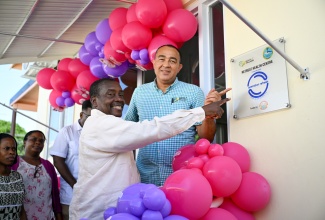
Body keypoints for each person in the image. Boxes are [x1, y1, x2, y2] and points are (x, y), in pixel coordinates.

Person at [69, 78, 230, 219]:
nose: (118, 99)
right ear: (94, 101)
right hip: (97, 212)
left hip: (116, 209)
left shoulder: (109, 124)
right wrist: (200, 112)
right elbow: (151, 129)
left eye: (120, 95)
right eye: (111, 94)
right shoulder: (101, 125)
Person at [125, 44, 232, 186]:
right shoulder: (140, 92)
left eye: (172, 61)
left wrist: (208, 112)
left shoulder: (193, 92)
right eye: (161, 59)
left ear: (179, 67)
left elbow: (206, 137)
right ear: (154, 63)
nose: (166, 65)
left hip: (182, 175)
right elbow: (128, 132)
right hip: (144, 176)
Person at [49, 100, 92, 220]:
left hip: (94, 196)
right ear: (81, 115)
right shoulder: (67, 132)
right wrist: (75, 185)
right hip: (71, 196)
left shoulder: (99, 133)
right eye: (90, 117)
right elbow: (58, 161)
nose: (94, 121)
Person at [11, 130, 62, 220]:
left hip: (46, 216)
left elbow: (55, 193)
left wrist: (58, 216)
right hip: (20, 216)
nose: (38, 142)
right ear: (24, 142)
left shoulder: (48, 165)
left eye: (41, 141)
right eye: (33, 139)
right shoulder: (14, 163)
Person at [0, 133, 27, 220]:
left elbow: (21, 209)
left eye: (14, 149)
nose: (12, 152)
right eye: (6, 148)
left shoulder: (17, 176)